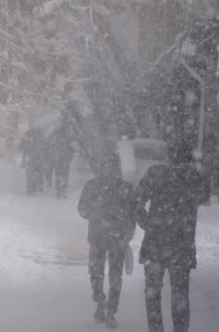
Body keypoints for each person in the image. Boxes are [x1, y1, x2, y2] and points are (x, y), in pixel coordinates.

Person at [134, 142, 210, 332]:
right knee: (180, 295)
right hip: (182, 245)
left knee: (152, 294)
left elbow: (136, 201)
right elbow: (204, 198)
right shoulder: (195, 177)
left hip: (155, 244)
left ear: (168, 156)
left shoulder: (155, 173)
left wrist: (148, 224)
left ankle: (156, 329)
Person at [77, 156, 136, 329]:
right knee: (96, 273)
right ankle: (100, 300)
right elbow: (82, 208)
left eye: (112, 168)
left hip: (116, 237)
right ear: (101, 169)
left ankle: (111, 310)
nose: (109, 171)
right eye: (106, 167)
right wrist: (92, 214)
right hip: (98, 236)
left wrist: (128, 233)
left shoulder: (125, 188)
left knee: (115, 275)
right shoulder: (92, 186)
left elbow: (132, 213)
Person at [21, 127, 45, 195]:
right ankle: (32, 189)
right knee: (31, 174)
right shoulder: (29, 133)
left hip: (36, 158)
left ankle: (35, 189)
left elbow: (44, 145)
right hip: (33, 158)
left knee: (35, 174)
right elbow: (23, 147)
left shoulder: (39, 133)